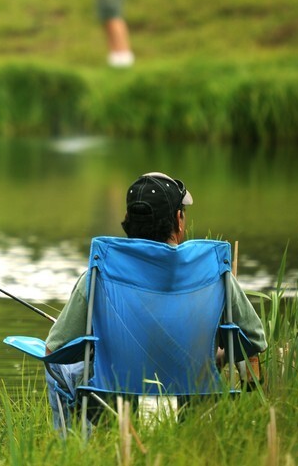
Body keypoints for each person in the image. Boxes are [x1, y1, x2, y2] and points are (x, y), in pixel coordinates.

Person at [43, 172, 268, 430]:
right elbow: (254, 342)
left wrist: (100, 349)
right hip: (199, 405)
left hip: (113, 404)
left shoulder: (100, 273)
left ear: (127, 221)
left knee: (60, 367)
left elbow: (54, 351)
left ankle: (71, 450)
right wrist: (212, 355)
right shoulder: (214, 273)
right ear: (178, 220)